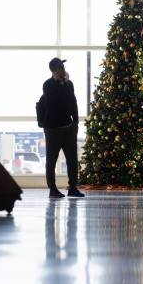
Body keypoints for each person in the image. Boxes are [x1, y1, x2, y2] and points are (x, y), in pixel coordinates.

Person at [38, 58, 84, 199]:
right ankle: (53, 189)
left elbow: (72, 101)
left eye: (63, 67)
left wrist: (75, 121)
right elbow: (54, 101)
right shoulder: (48, 85)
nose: (63, 69)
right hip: (53, 129)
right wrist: (60, 83)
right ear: (54, 70)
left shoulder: (69, 84)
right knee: (51, 160)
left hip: (69, 128)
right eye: (60, 67)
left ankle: (73, 188)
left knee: (72, 160)